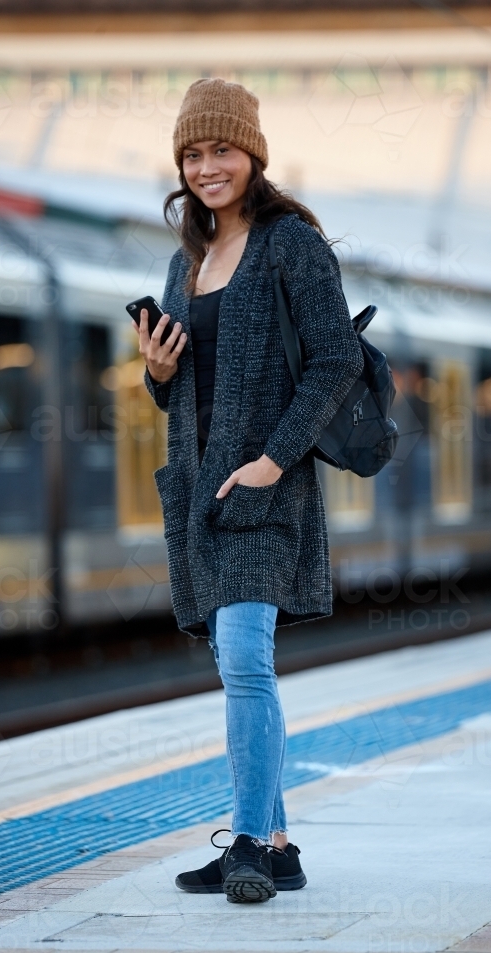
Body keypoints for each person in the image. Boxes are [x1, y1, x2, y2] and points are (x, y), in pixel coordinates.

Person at [137, 78, 363, 904]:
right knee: (239, 665)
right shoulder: (183, 262)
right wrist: (158, 373)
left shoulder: (291, 246)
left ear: (252, 154)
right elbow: (175, 391)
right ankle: (277, 843)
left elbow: (336, 361)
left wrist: (273, 458)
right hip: (198, 493)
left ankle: (242, 845)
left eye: (220, 150)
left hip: (265, 490)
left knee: (244, 662)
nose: (205, 167)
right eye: (191, 155)